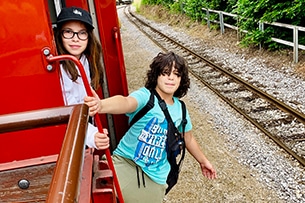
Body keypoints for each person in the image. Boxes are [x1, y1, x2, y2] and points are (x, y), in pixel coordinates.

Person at [84, 51, 217, 202]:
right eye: (165, 73)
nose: (171, 77)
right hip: (126, 162)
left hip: (155, 175)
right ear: (156, 76)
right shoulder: (146, 97)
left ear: (181, 79)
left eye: (176, 74)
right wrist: (101, 105)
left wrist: (203, 161)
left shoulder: (181, 109)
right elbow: (126, 103)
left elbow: (189, 139)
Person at [54, 6, 109, 150]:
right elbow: (70, 112)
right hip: (67, 139)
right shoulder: (58, 68)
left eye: (82, 33)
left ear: (89, 36)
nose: (75, 39)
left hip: (82, 129)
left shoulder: (85, 60)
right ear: (59, 34)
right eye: (68, 32)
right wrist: (92, 136)